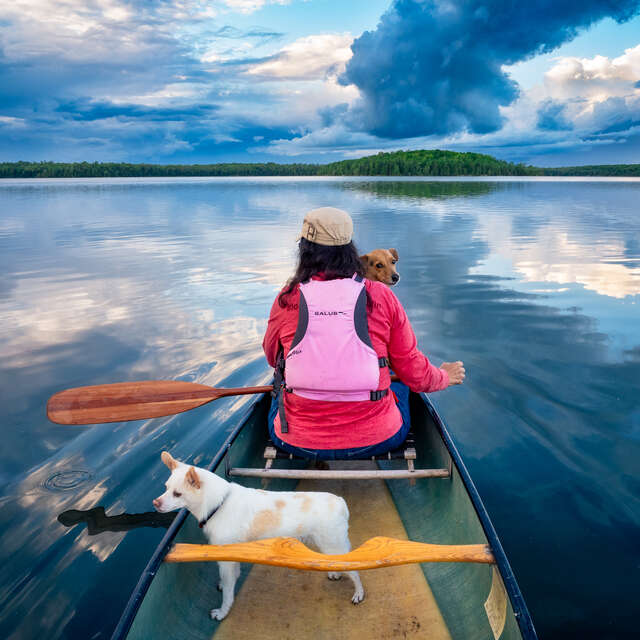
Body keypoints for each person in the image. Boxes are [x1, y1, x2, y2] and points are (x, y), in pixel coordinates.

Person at [262, 207, 465, 460]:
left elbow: (273, 358)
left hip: (296, 441)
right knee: (401, 381)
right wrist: (444, 376)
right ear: (349, 248)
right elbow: (414, 372)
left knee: (278, 381)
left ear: (304, 250)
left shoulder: (287, 297)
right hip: (378, 439)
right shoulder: (381, 295)